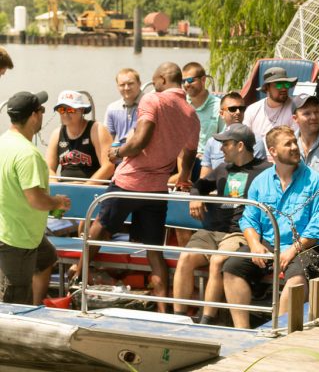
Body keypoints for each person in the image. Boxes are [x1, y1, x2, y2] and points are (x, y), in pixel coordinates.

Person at [70, 62, 200, 313]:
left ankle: (77, 278)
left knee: (98, 227)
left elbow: (140, 141)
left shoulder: (153, 100)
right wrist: (183, 176)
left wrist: (117, 152)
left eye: (154, 81)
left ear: (162, 79)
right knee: (154, 251)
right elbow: (191, 151)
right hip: (157, 189)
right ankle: (164, 310)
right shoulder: (190, 113)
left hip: (129, 182)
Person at [222, 126, 319, 328]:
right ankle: (242, 331)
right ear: (272, 151)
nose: (294, 147)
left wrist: (293, 250)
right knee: (232, 267)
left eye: (294, 142)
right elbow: (248, 219)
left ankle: (279, 331)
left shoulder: (316, 181)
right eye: (287, 143)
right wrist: (254, 244)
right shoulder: (260, 182)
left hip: (305, 247)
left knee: (296, 279)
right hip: (269, 244)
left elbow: (318, 227)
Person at [173, 123, 270, 324]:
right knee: (185, 257)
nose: (221, 149)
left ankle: (207, 319)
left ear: (240, 146)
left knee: (218, 261)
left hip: (240, 232)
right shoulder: (222, 168)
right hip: (212, 230)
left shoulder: (266, 170)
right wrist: (195, 197)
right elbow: (199, 186)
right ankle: (179, 318)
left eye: (226, 144)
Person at [0, 91, 71, 305]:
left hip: (16, 230)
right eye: (41, 110)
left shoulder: (3, 142)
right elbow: (36, 200)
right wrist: (58, 202)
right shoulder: (28, 154)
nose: (42, 114)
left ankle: (37, 305)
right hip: (17, 238)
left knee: (47, 256)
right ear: (33, 116)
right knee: (14, 300)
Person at [45, 90, 114, 182]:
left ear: (81, 110)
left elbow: (109, 166)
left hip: (93, 191)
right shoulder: (56, 134)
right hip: (65, 192)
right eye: (61, 110)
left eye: (70, 109)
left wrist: (84, 188)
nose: (65, 114)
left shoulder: (97, 130)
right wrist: (57, 187)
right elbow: (48, 169)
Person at [200, 92, 266, 179]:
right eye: (233, 109)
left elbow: (259, 176)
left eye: (241, 108)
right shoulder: (212, 142)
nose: (238, 112)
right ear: (222, 114)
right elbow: (204, 177)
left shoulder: (255, 141)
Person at [243, 67, 298, 138]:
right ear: (267, 88)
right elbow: (245, 139)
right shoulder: (252, 110)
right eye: (279, 85)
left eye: (287, 84)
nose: (284, 89)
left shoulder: (295, 108)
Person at [183, 62, 224, 157]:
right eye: (183, 81)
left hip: (210, 158)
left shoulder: (219, 106)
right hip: (184, 158)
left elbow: (224, 138)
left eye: (190, 80)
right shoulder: (180, 105)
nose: (186, 84)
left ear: (203, 80)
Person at [104, 68, 143, 144]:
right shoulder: (112, 108)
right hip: (121, 153)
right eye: (122, 85)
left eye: (130, 83)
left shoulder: (151, 104)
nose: (126, 88)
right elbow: (107, 140)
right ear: (117, 86)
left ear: (139, 84)